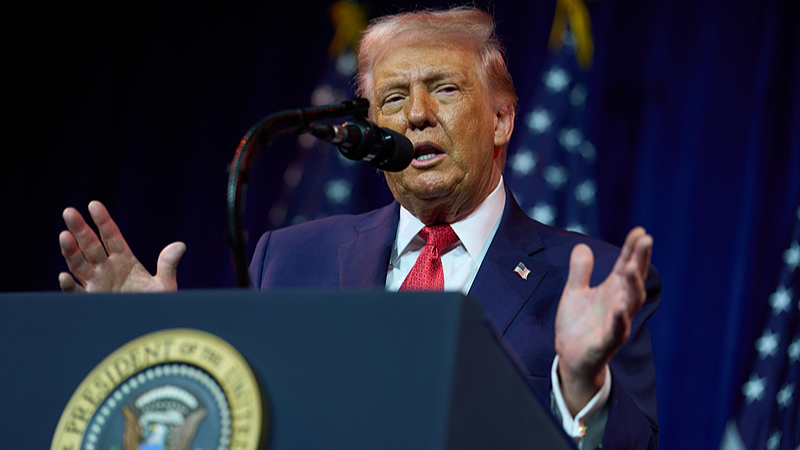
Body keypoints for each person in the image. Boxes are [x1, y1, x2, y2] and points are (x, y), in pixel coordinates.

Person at [58, 7, 659, 449]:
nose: (417, 114)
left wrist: (582, 386)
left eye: (444, 89)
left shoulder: (592, 280)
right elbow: (248, 422)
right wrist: (161, 347)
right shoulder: (290, 260)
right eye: (394, 98)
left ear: (502, 119)